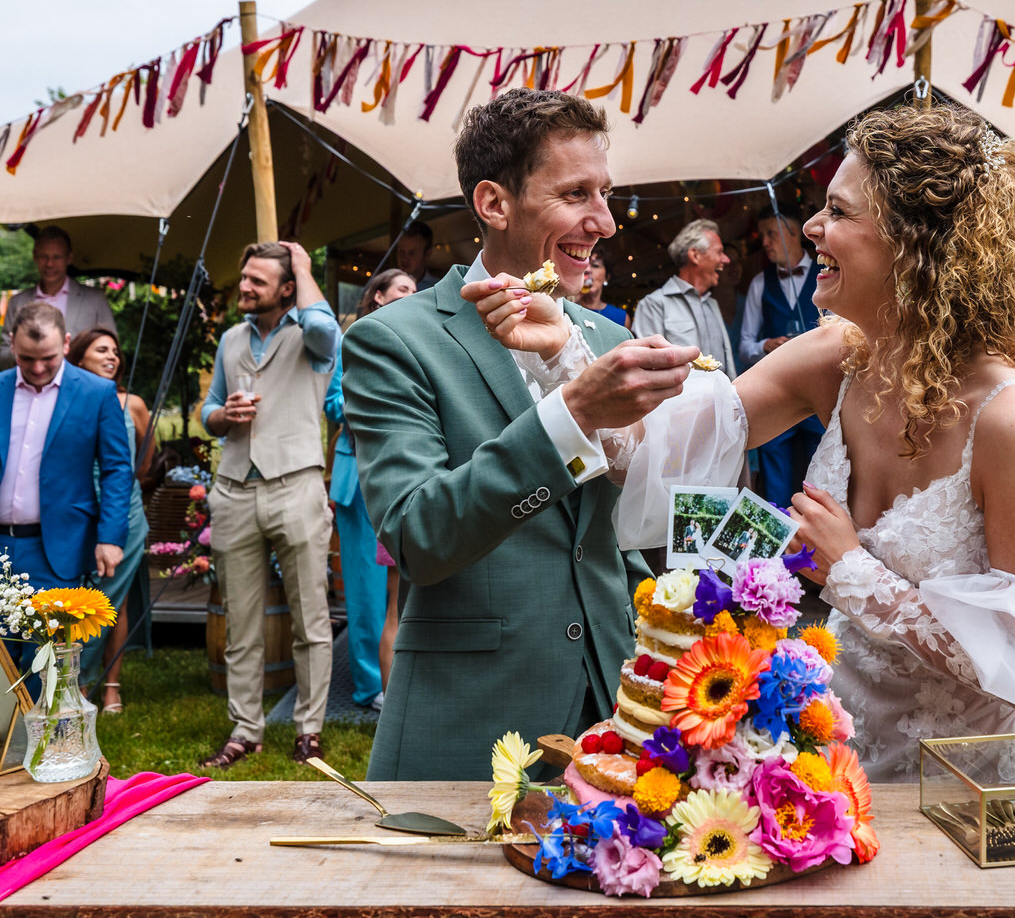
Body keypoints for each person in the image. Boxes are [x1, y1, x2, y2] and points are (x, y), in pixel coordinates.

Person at [475, 104, 1015, 782]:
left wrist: (853, 572)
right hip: (832, 760)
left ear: (915, 246)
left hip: (963, 783)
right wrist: (562, 352)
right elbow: (649, 457)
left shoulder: (1012, 418)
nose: (811, 227)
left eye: (840, 213)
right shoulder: (835, 355)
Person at [342, 88, 696, 781]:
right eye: (575, 194)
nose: (603, 222)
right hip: (473, 716)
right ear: (495, 204)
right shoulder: (395, 340)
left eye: (606, 193)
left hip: (618, 714)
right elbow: (417, 535)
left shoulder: (607, 339)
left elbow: (617, 531)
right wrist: (572, 416)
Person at [199, 241, 340, 769]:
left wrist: (303, 267)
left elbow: (327, 330)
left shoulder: (313, 336)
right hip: (234, 487)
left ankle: (309, 729)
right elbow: (208, 408)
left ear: (287, 288)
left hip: (296, 486)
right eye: (245, 276)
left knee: (311, 618)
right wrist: (222, 415)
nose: (244, 286)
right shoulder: (231, 338)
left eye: (258, 280)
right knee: (242, 620)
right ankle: (245, 729)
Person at [0, 303, 131, 692]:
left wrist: (110, 537)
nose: (38, 369)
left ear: (68, 343)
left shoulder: (97, 393)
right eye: (27, 359)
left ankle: (42, 749)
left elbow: (117, 469)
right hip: (0, 543)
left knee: (47, 661)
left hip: (55, 547)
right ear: (11, 343)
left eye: (48, 359)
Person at [325, 269, 415, 712]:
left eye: (415, 291)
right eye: (402, 289)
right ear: (377, 297)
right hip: (359, 477)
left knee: (402, 587)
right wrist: (376, 404)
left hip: (407, 471)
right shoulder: (354, 339)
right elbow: (332, 404)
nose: (411, 296)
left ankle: (402, 676)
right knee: (365, 586)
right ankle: (367, 687)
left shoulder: (418, 338)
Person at [67, 327, 154, 714]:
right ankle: (79, 682)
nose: (112, 357)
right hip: (80, 512)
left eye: (115, 351)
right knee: (81, 602)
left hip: (126, 513)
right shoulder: (68, 401)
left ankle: (110, 687)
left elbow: (145, 460)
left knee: (113, 601)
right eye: (101, 350)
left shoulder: (131, 403)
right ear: (79, 356)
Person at [740, 205, 827, 509]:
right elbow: (745, 345)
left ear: (794, 233)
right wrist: (765, 346)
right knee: (775, 479)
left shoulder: (827, 275)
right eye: (763, 235)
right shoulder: (760, 284)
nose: (765, 242)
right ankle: (779, 549)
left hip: (822, 393)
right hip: (775, 397)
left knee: (823, 476)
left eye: (771, 234)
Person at [0, 226, 117, 371]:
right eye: (44, 256)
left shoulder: (95, 300)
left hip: (82, 388)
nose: (49, 264)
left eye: (56, 257)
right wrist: (29, 352)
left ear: (69, 258)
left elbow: (112, 349)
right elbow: (4, 355)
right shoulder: (17, 303)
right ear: (35, 256)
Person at [632, 219, 737, 377]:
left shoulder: (712, 304)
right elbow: (647, 368)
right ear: (695, 255)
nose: (726, 260)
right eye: (719, 252)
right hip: (679, 401)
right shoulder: (653, 304)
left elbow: (728, 364)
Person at [578, 248, 630, 329]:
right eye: (584, 264)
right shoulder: (565, 308)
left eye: (595, 265)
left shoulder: (620, 318)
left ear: (607, 277)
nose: (587, 270)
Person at [397, 221, 438, 290]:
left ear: (427, 254)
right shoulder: (386, 288)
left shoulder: (436, 289)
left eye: (411, 253)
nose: (404, 259)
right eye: (401, 252)